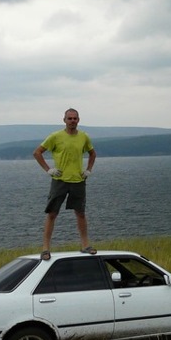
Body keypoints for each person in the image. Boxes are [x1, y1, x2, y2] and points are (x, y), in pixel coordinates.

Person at [33, 108, 97, 260]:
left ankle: (85, 245)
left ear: (78, 120)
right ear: (64, 120)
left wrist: (88, 170)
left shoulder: (84, 137)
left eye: (75, 118)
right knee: (52, 213)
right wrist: (49, 170)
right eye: (70, 118)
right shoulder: (55, 136)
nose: (72, 121)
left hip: (78, 181)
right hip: (59, 181)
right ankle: (45, 249)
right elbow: (37, 152)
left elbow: (92, 153)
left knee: (80, 213)